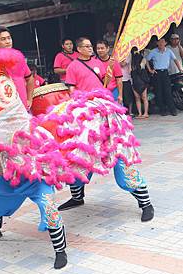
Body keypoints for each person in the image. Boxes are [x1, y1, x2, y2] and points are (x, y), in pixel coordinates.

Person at [62, 37, 154, 222]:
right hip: (87, 119)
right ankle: (77, 197)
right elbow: (71, 91)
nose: (91, 49)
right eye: (87, 46)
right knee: (79, 159)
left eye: (91, 46)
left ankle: (145, 203)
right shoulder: (73, 67)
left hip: (109, 117)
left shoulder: (101, 63)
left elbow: (113, 80)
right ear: (79, 49)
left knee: (120, 158)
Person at [0, 27, 35, 107]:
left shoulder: (19, 57)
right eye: (3, 39)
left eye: (9, 38)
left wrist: (29, 99)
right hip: (3, 108)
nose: (8, 41)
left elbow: (29, 79)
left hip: (22, 105)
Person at [146, 37, 183, 116]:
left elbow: (175, 60)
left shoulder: (169, 51)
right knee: (159, 92)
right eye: (159, 42)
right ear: (157, 43)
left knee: (168, 91)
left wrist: (180, 69)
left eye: (162, 42)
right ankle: (162, 110)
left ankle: (172, 110)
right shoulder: (153, 51)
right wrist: (150, 70)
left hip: (165, 73)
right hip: (157, 73)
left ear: (165, 43)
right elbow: (146, 60)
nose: (161, 43)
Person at [131, 48, 150, 119]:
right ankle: (140, 113)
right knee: (138, 98)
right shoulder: (131, 60)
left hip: (141, 80)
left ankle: (145, 113)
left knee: (143, 97)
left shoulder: (143, 59)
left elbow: (141, 69)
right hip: (136, 80)